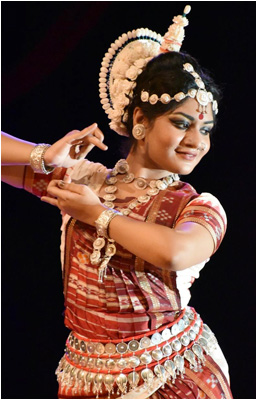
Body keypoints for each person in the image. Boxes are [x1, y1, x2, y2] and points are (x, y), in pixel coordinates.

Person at [1, 5, 233, 399]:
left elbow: (176, 253)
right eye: (181, 123)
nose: (197, 141)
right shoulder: (85, 183)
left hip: (171, 379)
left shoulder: (196, 206)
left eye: (205, 130)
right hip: (84, 380)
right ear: (140, 119)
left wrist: (98, 215)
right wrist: (44, 156)